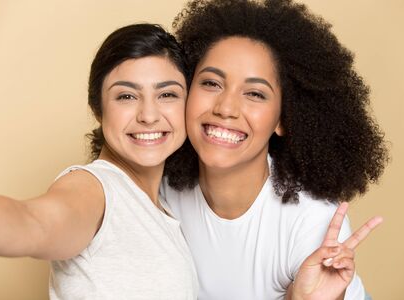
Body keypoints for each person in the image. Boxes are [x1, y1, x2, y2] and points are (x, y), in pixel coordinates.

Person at [161, 0, 389, 299]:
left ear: (283, 118)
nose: (226, 108)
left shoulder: (313, 221)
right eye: (212, 83)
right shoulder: (159, 190)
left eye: (255, 93)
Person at [0, 24, 198, 299]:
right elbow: (34, 223)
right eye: (126, 96)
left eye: (167, 94)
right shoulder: (95, 189)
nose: (149, 115)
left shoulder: (163, 208)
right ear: (98, 109)